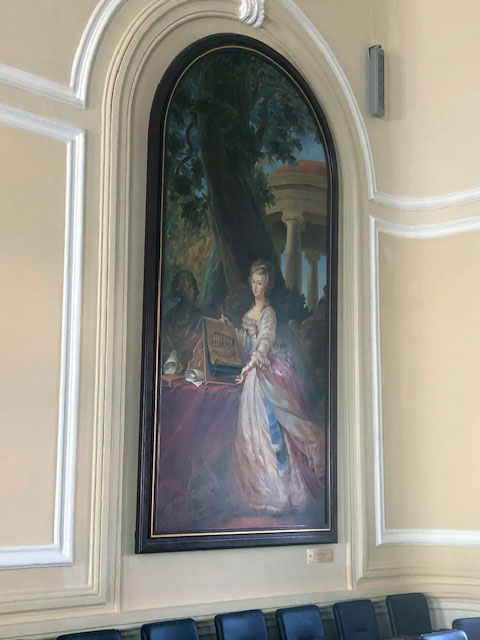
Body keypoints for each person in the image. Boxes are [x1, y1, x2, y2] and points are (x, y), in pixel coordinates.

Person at [225, 259, 325, 514]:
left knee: (270, 429)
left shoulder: (268, 313)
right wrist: (228, 330)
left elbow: (263, 344)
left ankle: (280, 491)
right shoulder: (249, 313)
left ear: (266, 285)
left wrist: (249, 366)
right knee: (250, 433)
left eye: (260, 283)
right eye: (253, 282)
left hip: (264, 375)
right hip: (251, 379)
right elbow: (244, 342)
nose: (256, 287)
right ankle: (258, 491)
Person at [163, 271, 202, 374]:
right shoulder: (170, 318)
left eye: (194, 287)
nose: (194, 292)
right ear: (179, 289)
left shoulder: (201, 318)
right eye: (189, 287)